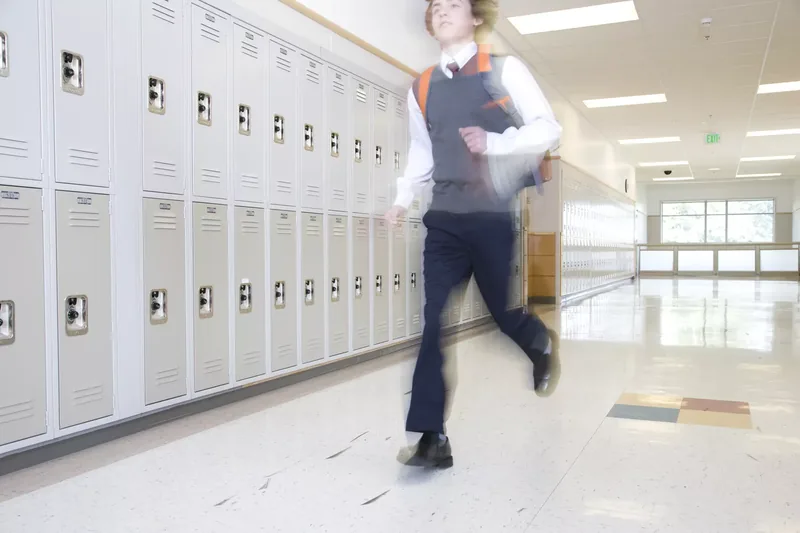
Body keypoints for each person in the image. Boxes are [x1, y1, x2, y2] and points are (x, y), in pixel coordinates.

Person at [385, 0, 563, 469]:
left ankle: (538, 342)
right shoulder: (420, 86)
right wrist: (402, 200)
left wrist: (499, 142)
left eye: (453, 4)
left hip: (490, 217)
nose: (441, 11)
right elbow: (422, 151)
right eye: (435, 6)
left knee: (503, 313)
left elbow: (549, 128)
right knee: (433, 323)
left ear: (477, 16)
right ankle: (431, 437)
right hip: (444, 219)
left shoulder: (504, 70)